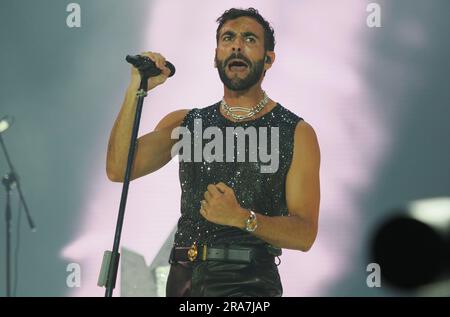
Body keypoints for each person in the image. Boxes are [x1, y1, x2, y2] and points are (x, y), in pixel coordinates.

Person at [106, 7, 320, 297]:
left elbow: (305, 233)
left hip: (248, 283)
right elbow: (120, 168)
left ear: (268, 59)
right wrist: (136, 88)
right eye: (228, 38)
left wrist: (242, 218)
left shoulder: (296, 132)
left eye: (249, 39)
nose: (236, 45)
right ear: (216, 56)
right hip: (183, 279)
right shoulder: (186, 123)